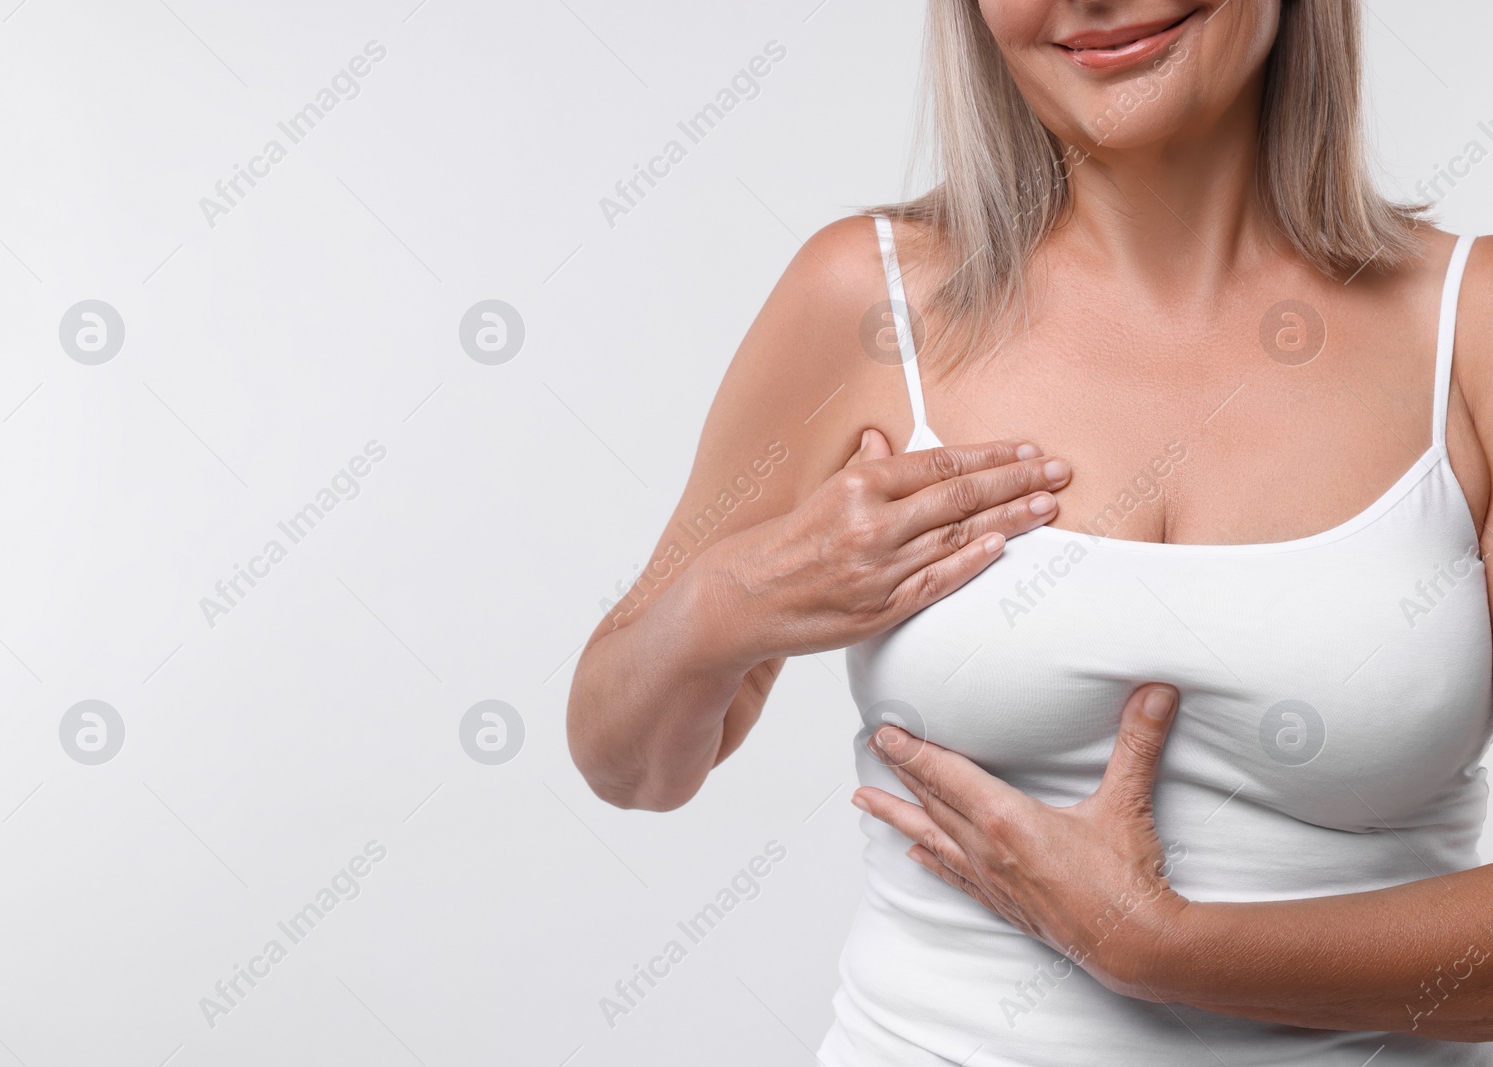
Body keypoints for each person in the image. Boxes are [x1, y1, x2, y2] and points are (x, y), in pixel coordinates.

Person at [567, 1, 1493, 1061]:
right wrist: (732, 601)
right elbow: (627, 767)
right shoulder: (867, 302)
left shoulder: (1468, 332)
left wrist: (1162, 946)